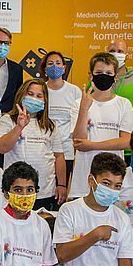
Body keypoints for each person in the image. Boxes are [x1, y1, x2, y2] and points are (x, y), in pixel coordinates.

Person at [68, 52, 133, 199]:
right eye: (98, 72)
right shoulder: (79, 104)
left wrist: (92, 145)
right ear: (90, 75)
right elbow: (78, 141)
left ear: (115, 77)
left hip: (112, 179)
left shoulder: (124, 104)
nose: (103, 76)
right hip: (84, 177)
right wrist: (84, 109)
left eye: (108, 73)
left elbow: (127, 141)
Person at [0, 79, 67, 211]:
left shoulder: (50, 126)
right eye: (30, 94)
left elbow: (59, 156)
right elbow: (1, 148)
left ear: (45, 100)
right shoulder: (7, 120)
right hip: (17, 192)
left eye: (39, 96)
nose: (34, 98)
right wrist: (19, 127)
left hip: (46, 191)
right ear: (21, 95)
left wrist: (62, 184)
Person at [41, 51, 82, 179]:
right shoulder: (40, 90)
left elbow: (78, 120)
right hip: (43, 148)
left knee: (61, 188)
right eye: (50, 63)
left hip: (66, 150)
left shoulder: (74, 91)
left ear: (64, 68)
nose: (55, 66)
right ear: (45, 69)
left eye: (58, 63)